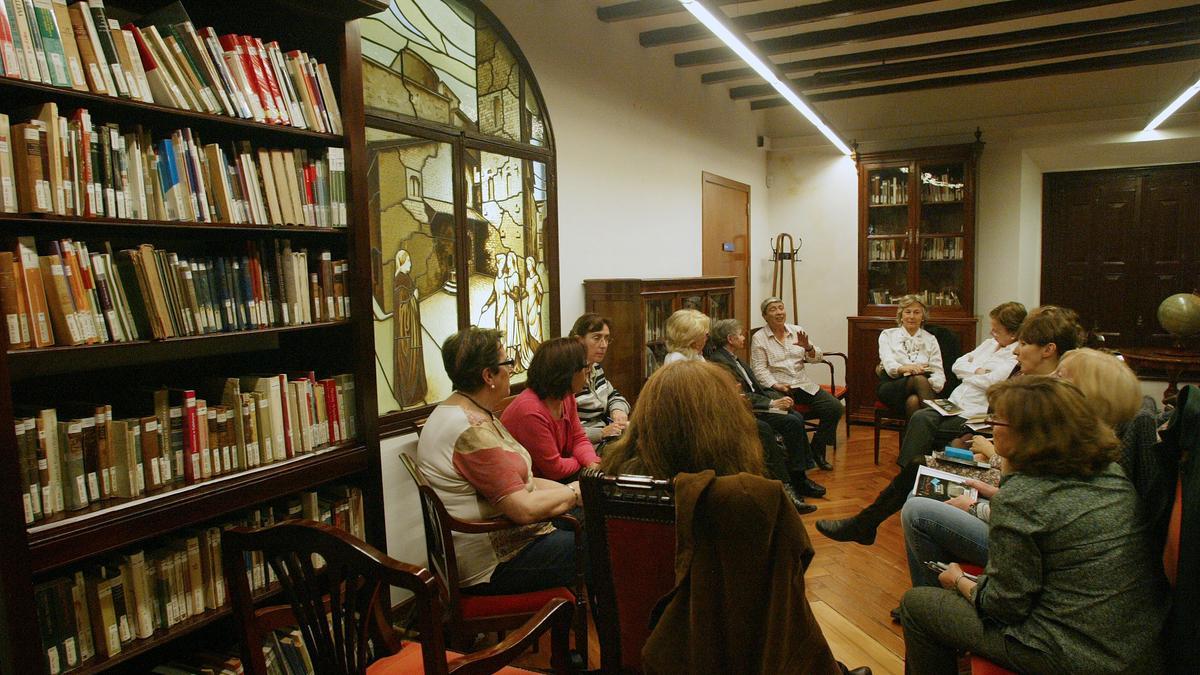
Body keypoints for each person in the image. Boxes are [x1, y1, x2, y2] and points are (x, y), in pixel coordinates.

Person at [600, 360, 868, 675]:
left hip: (642, 642)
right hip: (734, 652)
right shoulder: (748, 498)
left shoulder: (614, 484)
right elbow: (782, 584)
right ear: (725, 420)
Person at [900, 377, 1167, 674]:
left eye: (995, 421)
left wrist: (959, 581)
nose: (990, 428)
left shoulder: (1022, 497)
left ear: (1026, 434)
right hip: (1139, 644)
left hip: (1069, 653)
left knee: (917, 605)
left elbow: (1003, 608)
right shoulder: (1111, 473)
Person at [817, 304, 1080, 547]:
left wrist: (988, 451)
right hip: (989, 456)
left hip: (1000, 482)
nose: (1016, 350)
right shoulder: (1030, 379)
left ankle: (867, 524)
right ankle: (866, 524)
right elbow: (961, 370)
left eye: (1024, 343)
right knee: (918, 455)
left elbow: (1030, 475)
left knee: (919, 459)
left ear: (1049, 349)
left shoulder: (1050, 399)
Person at [415, 327, 581, 594]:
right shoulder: (471, 431)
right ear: (488, 375)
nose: (513, 370)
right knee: (603, 542)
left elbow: (519, 480)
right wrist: (573, 493)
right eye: (508, 363)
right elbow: (523, 509)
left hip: (499, 535)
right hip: (493, 563)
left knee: (591, 515)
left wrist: (571, 493)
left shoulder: (461, 409)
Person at [894, 302, 1025, 467]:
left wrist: (969, 373)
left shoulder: (1014, 355)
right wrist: (979, 371)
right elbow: (957, 365)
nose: (992, 334)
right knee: (921, 416)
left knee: (922, 421)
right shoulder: (989, 344)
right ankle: (915, 468)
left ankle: (909, 469)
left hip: (974, 412)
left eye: (996, 330)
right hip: (954, 403)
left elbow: (993, 382)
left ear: (1012, 334)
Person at [708, 318, 825, 498]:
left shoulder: (732, 357)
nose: (744, 337)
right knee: (790, 422)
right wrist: (771, 403)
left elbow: (755, 388)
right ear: (730, 339)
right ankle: (788, 484)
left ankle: (800, 477)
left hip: (758, 402)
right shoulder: (720, 362)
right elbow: (738, 395)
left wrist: (777, 398)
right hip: (746, 409)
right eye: (740, 334)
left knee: (795, 417)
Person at [750, 297, 843, 468]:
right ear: (764, 316)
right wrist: (775, 385)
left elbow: (816, 359)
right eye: (773, 309)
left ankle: (817, 448)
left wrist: (808, 347)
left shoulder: (796, 330)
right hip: (779, 388)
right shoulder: (759, 338)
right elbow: (759, 369)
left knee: (834, 407)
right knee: (793, 418)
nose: (779, 312)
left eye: (781, 308)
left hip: (803, 384)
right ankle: (798, 457)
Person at [501, 337, 600, 482]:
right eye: (585, 366)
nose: (588, 371)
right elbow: (555, 469)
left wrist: (591, 462)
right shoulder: (530, 411)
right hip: (533, 486)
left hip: (558, 478)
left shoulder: (566, 397)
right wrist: (583, 464)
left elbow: (578, 438)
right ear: (568, 373)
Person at [876, 295, 945, 420]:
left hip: (923, 388)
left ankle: (915, 438)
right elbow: (889, 364)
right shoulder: (887, 335)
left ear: (922, 317)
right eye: (907, 312)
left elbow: (938, 372)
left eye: (917, 312)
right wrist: (906, 368)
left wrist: (929, 383)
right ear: (901, 316)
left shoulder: (930, 339)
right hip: (892, 386)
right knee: (918, 379)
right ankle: (936, 425)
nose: (912, 316)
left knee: (913, 401)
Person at [568, 313, 630, 451]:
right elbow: (565, 431)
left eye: (607, 339)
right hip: (587, 445)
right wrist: (602, 433)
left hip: (608, 436)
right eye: (597, 338)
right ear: (578, 340)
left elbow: (613, 395)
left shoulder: (595, 367)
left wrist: (618, 410)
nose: (604, 345)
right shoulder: (569, 376)